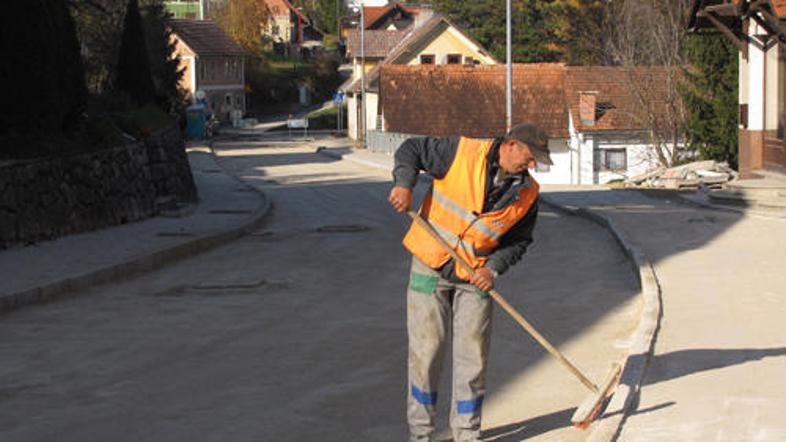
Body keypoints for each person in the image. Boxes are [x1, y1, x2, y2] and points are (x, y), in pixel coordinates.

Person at [388, 123, 552, 442]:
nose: (532, 165)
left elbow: (518, 241)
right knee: (426, 352)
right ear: (511, 145)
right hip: (429, 265)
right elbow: (411, 149)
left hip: (476, 276)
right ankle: (421, 434)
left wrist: (492, 269)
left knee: (473, 356)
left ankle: (467, 432)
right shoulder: (461, 153)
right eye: (530, 157)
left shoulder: (528, 194)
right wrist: (403, 185)